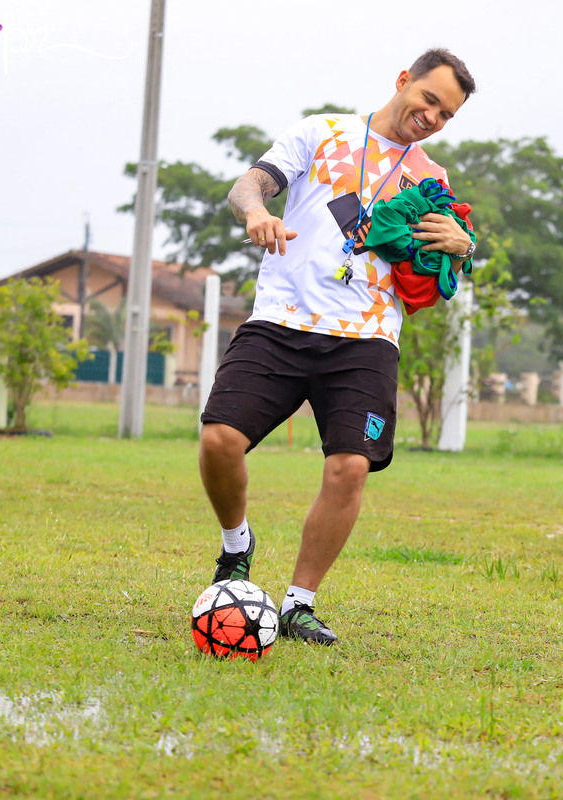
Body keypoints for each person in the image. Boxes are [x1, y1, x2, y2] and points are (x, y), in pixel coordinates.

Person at [199, 49, 477, 644]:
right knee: (220, 439)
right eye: (429, 100)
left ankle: (300, 604)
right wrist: (256, 213)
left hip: (367, 335)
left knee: (349, 466)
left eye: (446, 114)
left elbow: (441, 258)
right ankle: (235, 546)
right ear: (404, 81)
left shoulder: (431, 176)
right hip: (281, 319)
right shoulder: (322, 132)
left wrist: (463, 244)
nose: (432, 117)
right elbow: (250, 185)